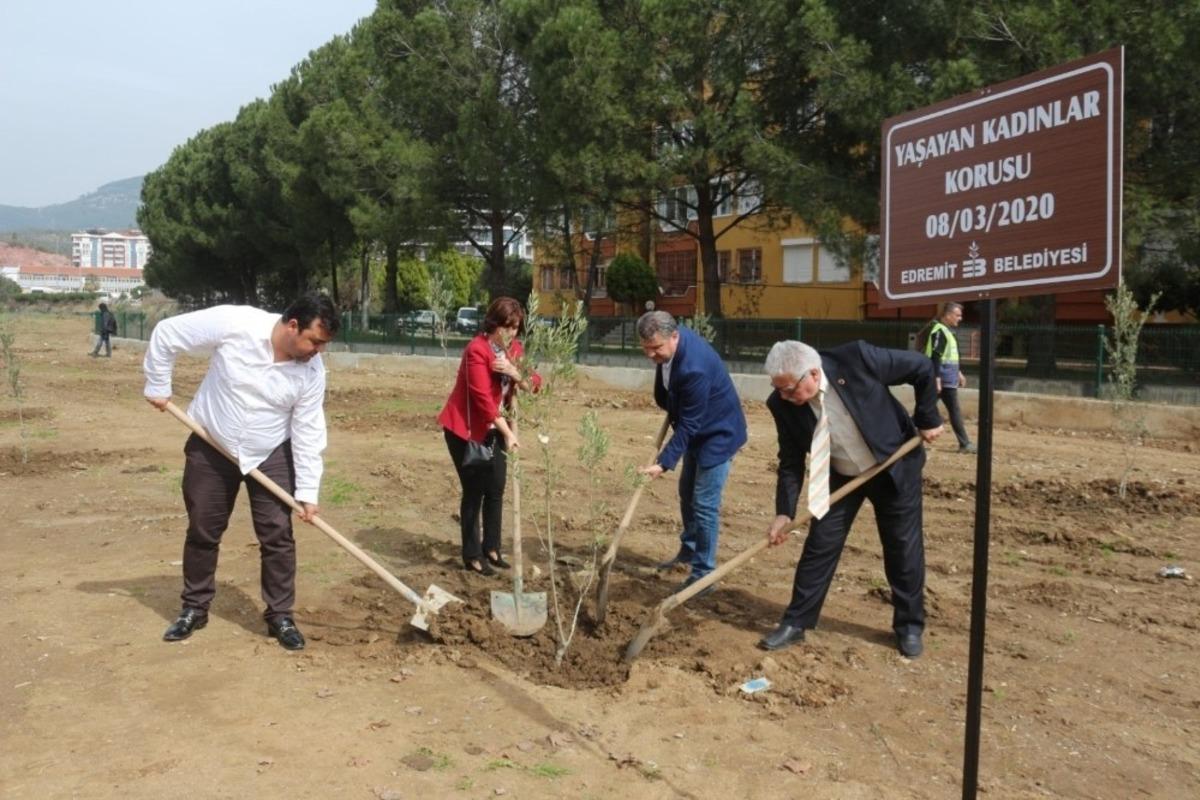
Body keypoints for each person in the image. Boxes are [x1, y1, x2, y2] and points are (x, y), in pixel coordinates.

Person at [143, 292, 339, 651]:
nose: (318, 351)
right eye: (315, 341)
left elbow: (309, 429)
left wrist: (308, 491)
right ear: (293, 325)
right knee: (203, 529)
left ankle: (280, 615)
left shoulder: (312, 371)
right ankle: (194, 608)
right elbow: (168, 333)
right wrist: (158, 384)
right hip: (212, 444)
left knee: (277, 536)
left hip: (271, 452)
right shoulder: (237, 324)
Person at [759, 340, 943, 658]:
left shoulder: (856, 360)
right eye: (780, 391)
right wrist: (783, 512)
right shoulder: (781, 404)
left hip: (891, 465)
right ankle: (796, 622)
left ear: (813, 374)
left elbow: (922, 368)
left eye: (789, 390)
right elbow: (790, 461)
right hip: (840, 476)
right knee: (820, 546)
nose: (785, 397)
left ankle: (909, 627)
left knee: (902, 548)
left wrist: (927, 417)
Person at [636, 311, 748, 593]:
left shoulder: (694, 367)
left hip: (718, 434)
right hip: (696, 429)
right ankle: (689, 549)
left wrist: (663, 463)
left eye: (656, 348)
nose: (651, 355)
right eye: (646, 348)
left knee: (705, 503)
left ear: (674, 337)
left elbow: (689, 424)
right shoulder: (669, 346)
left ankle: (704, 574)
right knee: (687, 493)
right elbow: (668, 391)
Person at [438, 297, 541, 576]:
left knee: (496, 487)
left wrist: (513, 371)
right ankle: (472, 554)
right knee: (474, 491)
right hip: (466, 432)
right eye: (507, 327)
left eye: (516, 328)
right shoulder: (477, 350)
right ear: (494, 325)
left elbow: (535, 384)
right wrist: (509, 433)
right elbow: (482, 400)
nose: (511, 334)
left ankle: (492, 548)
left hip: (497, 430)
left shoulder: (515, 350)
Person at [924, 302, 975, 454]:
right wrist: (937, 379)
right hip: (943, 380)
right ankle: (965, 443)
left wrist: (958, 373)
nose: (960, 318)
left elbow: (950, 356)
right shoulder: (940, 331)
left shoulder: (946, 332)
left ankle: (904, 436)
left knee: (927, 408)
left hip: (947, 379)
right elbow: (935, 356)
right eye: (958, 315)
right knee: (953, 410)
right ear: (948, 315)